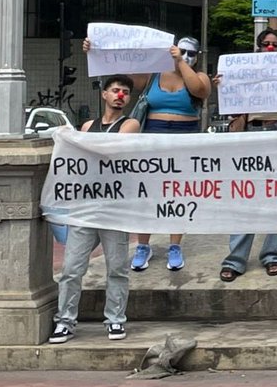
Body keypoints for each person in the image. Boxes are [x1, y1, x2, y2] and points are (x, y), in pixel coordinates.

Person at [84, 34, 210, 274]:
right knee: (148, 193)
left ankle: (175, 245)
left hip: (185, 139)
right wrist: (96, 50)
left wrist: (180, 62)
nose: (186, 56)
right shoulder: (153, 75)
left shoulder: (200, 76)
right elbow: (122, 70)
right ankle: (143, 245)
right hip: (152, 137)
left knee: (178, 193)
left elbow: (199, 90)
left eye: (191, 53)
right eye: (181, 51)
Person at [49, 75, 141, 343]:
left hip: (114, 209)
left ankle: (115, 320)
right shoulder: (88, 126)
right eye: (115, 90)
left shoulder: (130, 124)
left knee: (117, 269)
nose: (120, 96)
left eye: (125, 92)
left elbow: (112, 150)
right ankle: (65, 321)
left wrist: (77, 141)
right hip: (86, 207)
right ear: (104, 94)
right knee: (71, 268)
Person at [218, 28, 277, 281]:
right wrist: (224, 87)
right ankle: (236, 259)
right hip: (251, 133)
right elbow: (233, 111)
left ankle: (272, 255)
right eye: (265, 44)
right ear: (259, 47)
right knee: (245, 195)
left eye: (275, 44)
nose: (270, 48)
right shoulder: (245, 71)